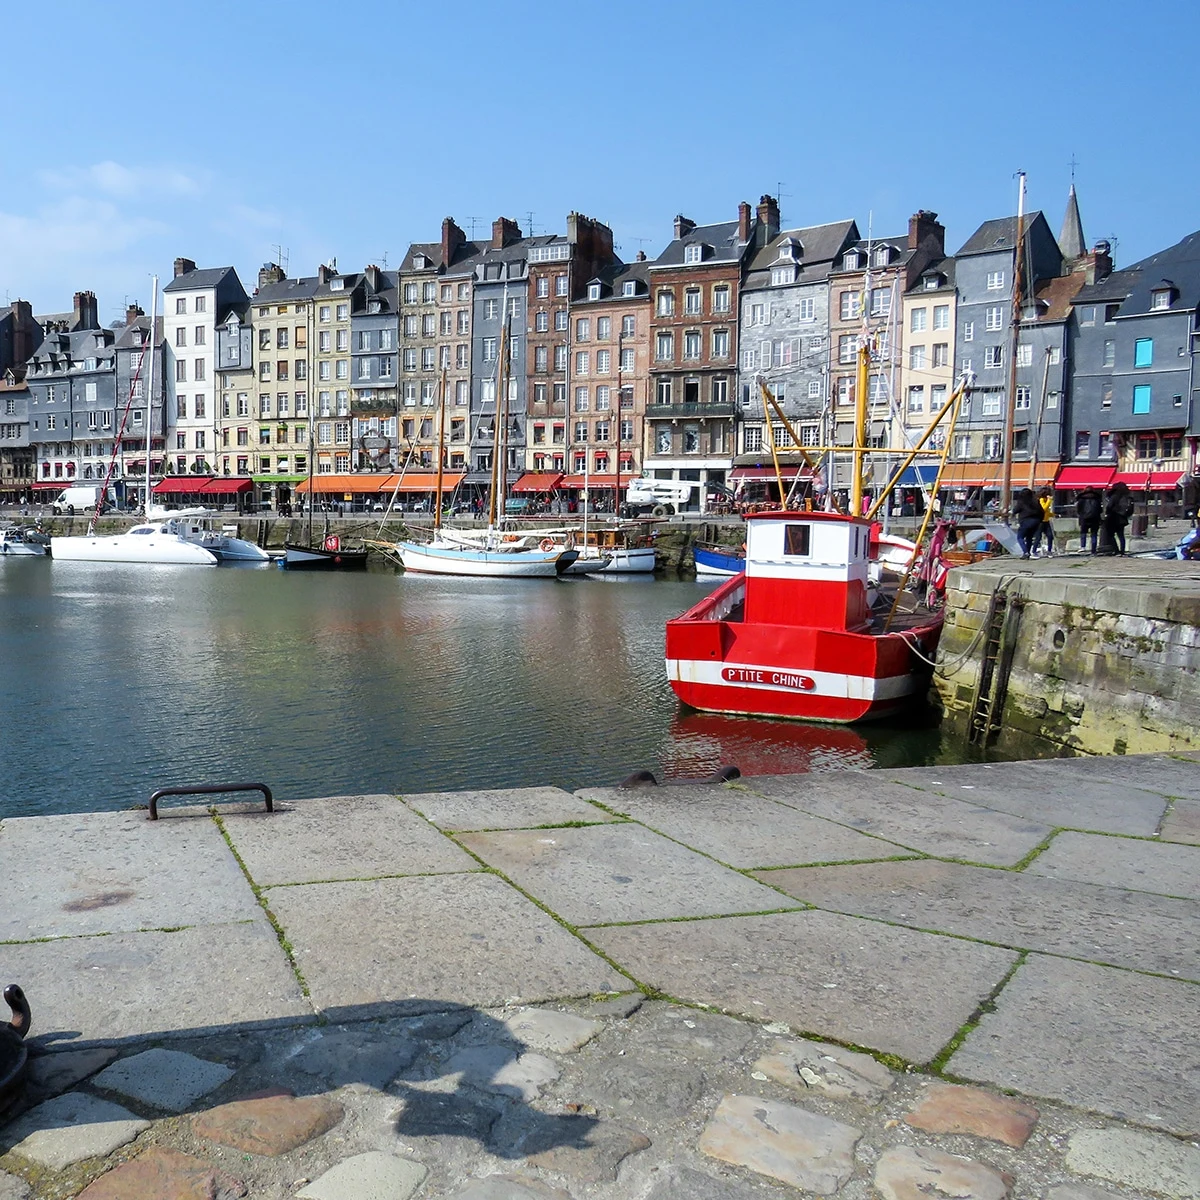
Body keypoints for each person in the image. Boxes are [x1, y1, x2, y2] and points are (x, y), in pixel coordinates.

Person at [1103, 481, 1135, 555]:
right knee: (1121, 535)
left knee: (1110, 534)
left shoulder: (1115, 496)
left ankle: (1116, 550)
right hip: (1122, 518)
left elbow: (1109, 506)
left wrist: (1107, 513)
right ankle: (1122, 551)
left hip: (1113, 517)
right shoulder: (1127, 496)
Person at [1013, 488, 1043, 558]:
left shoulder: (1021, 502)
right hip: (1036, 521)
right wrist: (1040, 520)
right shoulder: (1036, 501)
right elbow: (1042, 512)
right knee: (1029, 538)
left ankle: (1025, 552)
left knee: (1020, 537)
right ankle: (1028, 552)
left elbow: (1015, 510)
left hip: (1025, 521)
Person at [1076, 486, 1102, 553]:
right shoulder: (1097, 499)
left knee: (1083, 533)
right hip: (1095, 518)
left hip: (1084, 518)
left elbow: (1078, 509)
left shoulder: (1081, 499)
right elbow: (1100, 510)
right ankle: (1093, 549)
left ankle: (1083, 547)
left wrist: (1081, 515)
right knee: (1094, 534)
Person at [1036, 487, 1055, 556]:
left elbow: (1047, 512)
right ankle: (1035, 550)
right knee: (1038, 537)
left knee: (1050, 536)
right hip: (1040, 521)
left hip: (1046, 521)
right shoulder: (1041, 500)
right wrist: (1049, 501)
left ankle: (1049, 550)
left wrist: (1053, 515)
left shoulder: (1046, 500)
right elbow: (1044, 508)